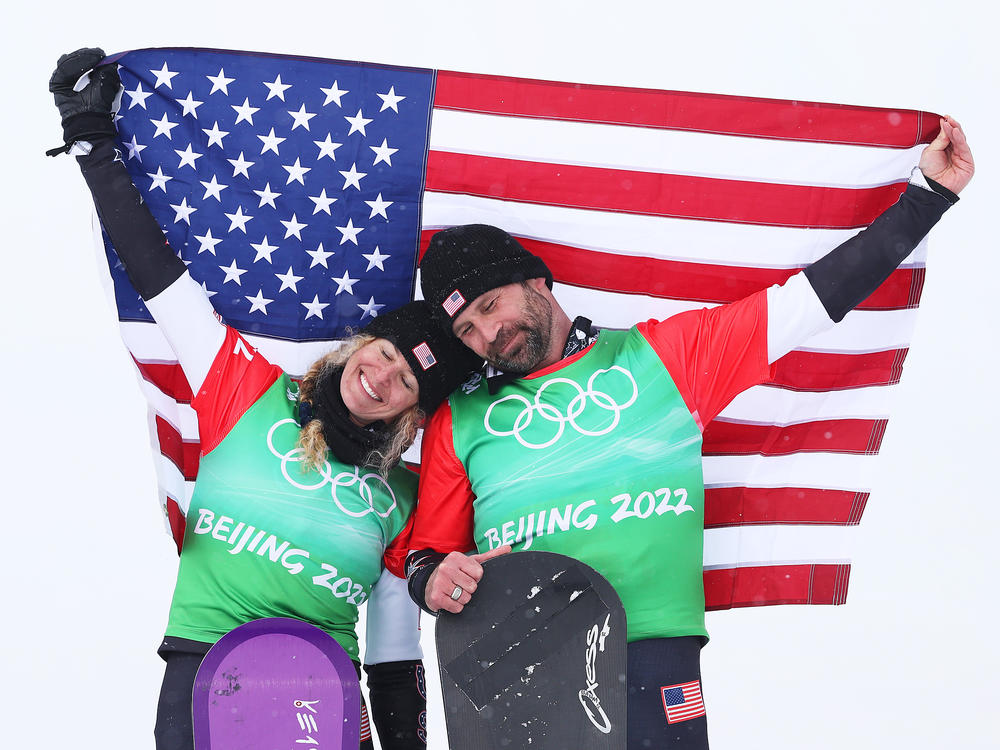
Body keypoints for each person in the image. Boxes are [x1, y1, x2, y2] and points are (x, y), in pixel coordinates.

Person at [402, 116, 974, 748]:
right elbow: (426, 551)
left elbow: (810, 300)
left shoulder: (664, 360)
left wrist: (928, 197)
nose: (488, 337)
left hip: (653, 656)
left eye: (489, 307)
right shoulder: (463, 417)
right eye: (467, 333)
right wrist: (434, 579)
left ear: (536, 280)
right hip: (519, 669)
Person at [49, 48, 479, 750]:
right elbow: (160, 277)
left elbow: (394, 648)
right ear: (359, 344)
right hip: (210, 668)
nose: (384, 375)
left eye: (407, 383)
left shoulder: (399, 495)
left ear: (411, 416)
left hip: (326, 698)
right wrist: (95, 144)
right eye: (386, 352)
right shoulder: (245, 391)